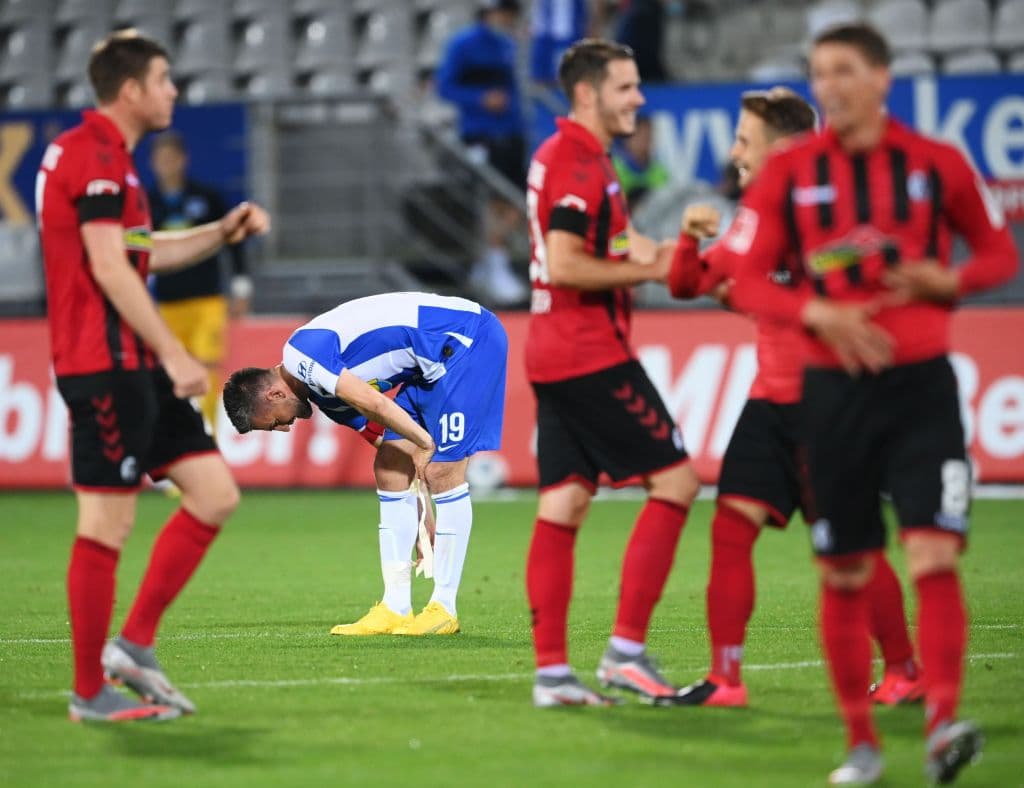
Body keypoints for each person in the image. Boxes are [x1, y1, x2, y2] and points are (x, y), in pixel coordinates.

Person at [716, 23, 1018, 784]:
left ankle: (942, 726)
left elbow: (997, 252)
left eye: (845, 70)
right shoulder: (790, 175)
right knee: (845, 570)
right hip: (831, 395)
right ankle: (862, 742)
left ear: (883, 77)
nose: (831, 86)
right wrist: (815, 312)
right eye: (821, 73)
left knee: (933, 554)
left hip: (921, 390)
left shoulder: (936, 163)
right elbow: (743, 279)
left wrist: (950, 280)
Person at [35, 30, 270, 723]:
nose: (173, 91)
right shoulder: (93, 155)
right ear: (132, 89)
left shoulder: (114, 161)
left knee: (214, 493)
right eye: (164, 79)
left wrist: (219, 233)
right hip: (104, 365)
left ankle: (134, 646)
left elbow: (143, 253)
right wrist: (173, 350)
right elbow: (110, 267)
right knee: (106, 523)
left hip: (132, 365)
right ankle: (89, 692)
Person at [666, 87, 922, 709]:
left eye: (744, 140)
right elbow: (689, 282)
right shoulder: (754, 215)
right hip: (770, 402)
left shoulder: (831, 215)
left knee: (852, 552)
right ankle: (726, 679)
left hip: (827, 405)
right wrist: (689, 238)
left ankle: (905, 671)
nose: (734, 153)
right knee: (731, 530)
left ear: (781, 149)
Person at [524, 39, 698, 708]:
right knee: (677, 482)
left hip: (554, 350)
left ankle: (552, 676)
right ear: (587, 93)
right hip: (587, 351)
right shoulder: (576, 161)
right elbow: (566, 263)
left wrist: (663, 254)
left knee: (564, 501)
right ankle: (626, 653)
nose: (639, 99)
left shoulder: (582, 157)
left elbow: (607, 246)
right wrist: (649, 268)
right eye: (626, 87)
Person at [222, 292, 508, 636]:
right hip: (428, 365)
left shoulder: (302, 356)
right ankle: (395, 608)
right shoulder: (328, 398)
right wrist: (423, 520)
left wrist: (425, 443)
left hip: (465, 339)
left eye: (272, 423)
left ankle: (444, 608)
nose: (284, 428)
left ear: (274, 395)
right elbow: (390, 445)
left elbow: (376, 403)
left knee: (441, 470)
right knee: (389, 467)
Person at [148, 130, 251, 432]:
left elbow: (234, 242)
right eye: (161, 159)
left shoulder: (207, 198)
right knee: (171, 375)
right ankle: (176, 444)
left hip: (206, 301)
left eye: (172, 158)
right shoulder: (147, 203)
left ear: (183, 159)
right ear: (153, 163)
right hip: (167, 305)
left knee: (206, 371)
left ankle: (207, 439)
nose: (167, 165)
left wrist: (241, 287)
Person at [435, 0, 529, 307]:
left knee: (514, 199)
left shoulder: (507, 45)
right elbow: (444, 87)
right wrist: (480, 99)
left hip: (510, 133)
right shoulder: (463, 44)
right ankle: (494, 262)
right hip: (480, 133)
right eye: (504, 13)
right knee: (494, 200)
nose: (508, 19)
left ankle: (488, 262)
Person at [612, 114, 669, 210]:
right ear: (627, 138)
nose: (645, 141)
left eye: (649, 136)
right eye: (640, 136)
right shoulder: (612, 168)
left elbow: (667, 203)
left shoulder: (660, 171)